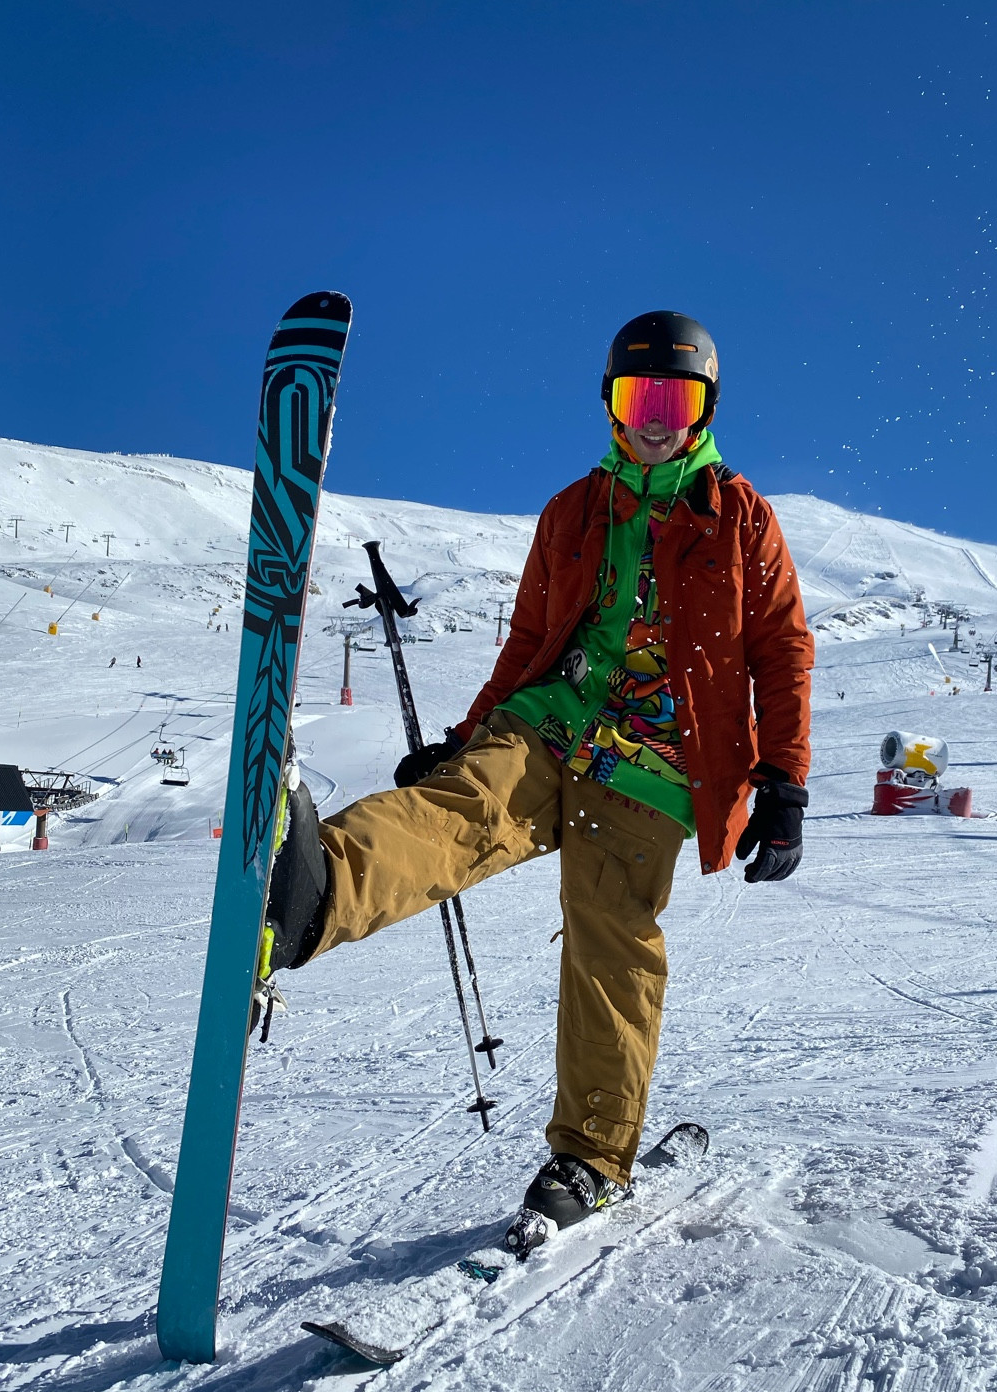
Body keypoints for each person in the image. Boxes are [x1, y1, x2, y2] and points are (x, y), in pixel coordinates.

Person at [264, 310, 814, 1238]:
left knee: (609, 938)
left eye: (675, 401)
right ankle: (311, 895)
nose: (654, 420)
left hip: (655, 768)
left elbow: (782, 650)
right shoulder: (572, 511)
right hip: (552, 722)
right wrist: (467, 732)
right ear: (610, 404)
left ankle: (593, 1156)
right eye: (637, 397)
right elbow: (528, 640)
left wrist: (784, 784)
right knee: (460, 807)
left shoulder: (741, 519)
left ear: (705, 410)